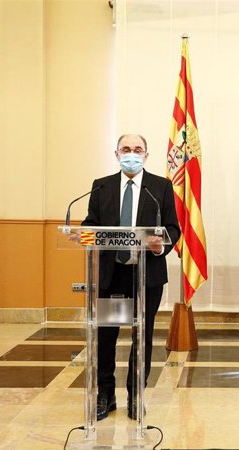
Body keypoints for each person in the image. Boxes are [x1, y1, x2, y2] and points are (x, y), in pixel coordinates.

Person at [82, 134, 180, 420]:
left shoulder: (160, 187)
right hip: (113, 276)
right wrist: (89, 235)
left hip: (146, 277)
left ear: (146, 155)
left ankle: (136, 396)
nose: (132, 154)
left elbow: (173, 228)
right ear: (116, 153)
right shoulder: (102, 186)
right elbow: (90, 225)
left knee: (142, 336)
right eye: (126, 149)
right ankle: (106, 396)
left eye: (138, 150)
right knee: (107, 336)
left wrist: (161, 244)